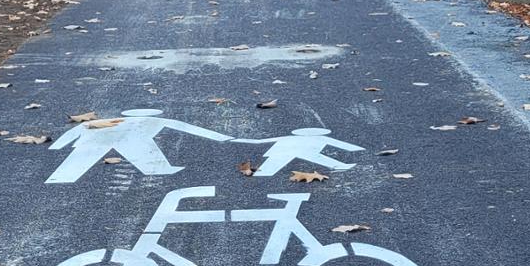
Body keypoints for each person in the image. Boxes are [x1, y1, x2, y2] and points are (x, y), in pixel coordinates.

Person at [46, 109, 233, 184]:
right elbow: (185, 127)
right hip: (134, 142)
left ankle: (62, 177)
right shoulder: (153, 120)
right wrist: (224, 139)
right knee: (147, 157)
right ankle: (161, 169)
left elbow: (79, 129)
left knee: (73, 166)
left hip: (92, 143)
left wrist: (57, 146)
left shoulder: (106, 120)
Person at [234, 128, 364, 177]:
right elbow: (347, 146)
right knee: (317, 157)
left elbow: (259, 141)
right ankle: (339, 165)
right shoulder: (321, 137)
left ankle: (339, 165)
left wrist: (238, 139)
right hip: (289, 152)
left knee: (270, 167)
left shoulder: (289, 138)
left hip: (281, 152)